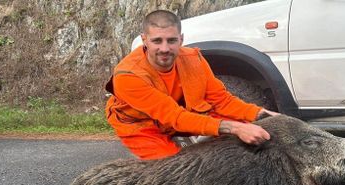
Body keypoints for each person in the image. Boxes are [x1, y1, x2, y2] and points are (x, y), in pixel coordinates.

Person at [105, 10, 278, 160]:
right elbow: (175, 118)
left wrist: (260, 114)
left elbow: (221, 100)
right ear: (145, 40)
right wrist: (235, 128)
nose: (165, 48)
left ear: (181, 39)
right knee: (175, 171)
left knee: (250, 133)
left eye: (171, 40)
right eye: (157, 41)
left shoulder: (194, 59)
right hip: (142, 125)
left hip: (181, 113)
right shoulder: (128, 75)